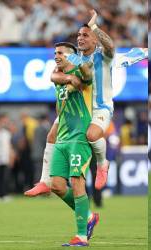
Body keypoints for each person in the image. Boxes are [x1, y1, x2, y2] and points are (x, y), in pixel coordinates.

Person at [25, 9, 115, 196]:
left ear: (94, 39)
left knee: (91, 134)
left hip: (100, 107)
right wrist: (68, 79)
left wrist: (94, 27)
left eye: (85, 35)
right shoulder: (74, 57)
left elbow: (111, 46)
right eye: (79, 35)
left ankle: (102, 164)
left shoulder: (102, 56)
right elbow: (54, 74)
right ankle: (44, 181)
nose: (80, 38)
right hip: (78, 109)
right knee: (51, 135)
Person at [50, 42, 98, 247]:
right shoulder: (58, 74)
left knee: (77, 182)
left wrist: (79, 69)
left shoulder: (82, 70)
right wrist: (70, 78)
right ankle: (88, 216)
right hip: (62, 138)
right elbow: (55, 76)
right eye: (55, 53)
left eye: (60, 53)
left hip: (79, 137)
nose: (56, 56)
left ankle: (81, 236)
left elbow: (87, 77)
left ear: (71, 56)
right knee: (57, 186)